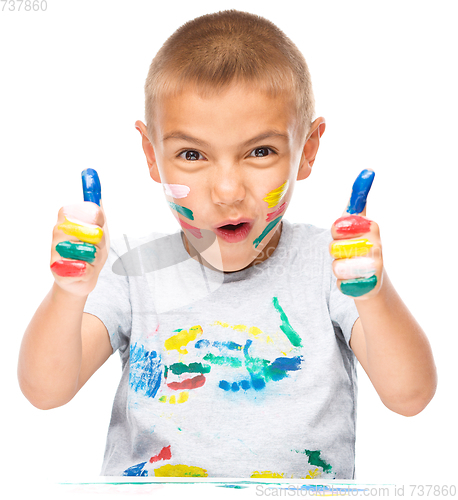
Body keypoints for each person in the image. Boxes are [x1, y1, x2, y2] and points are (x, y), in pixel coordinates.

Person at [18, 10, 437, 479]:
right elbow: (45, 391)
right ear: (151, 155)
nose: (228, 190)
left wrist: (374, 296)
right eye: (192, 155)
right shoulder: (131, 268)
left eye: (260, 151)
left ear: (309, 149)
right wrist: (68, 294)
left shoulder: (330, 267)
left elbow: (410, 396)